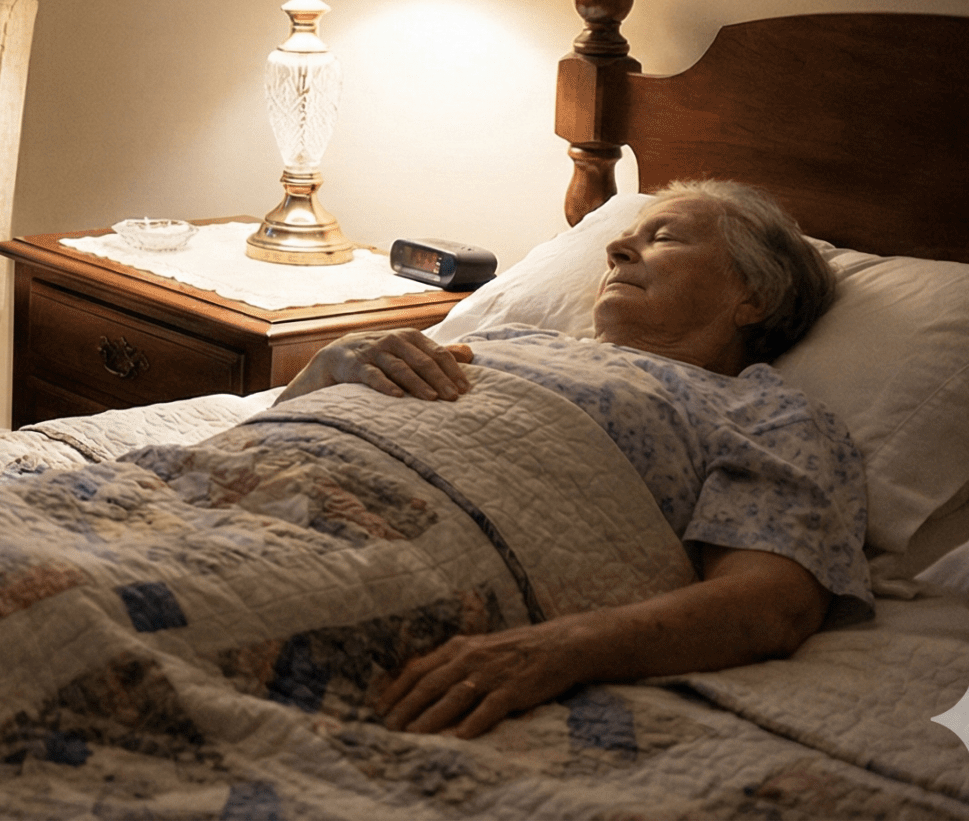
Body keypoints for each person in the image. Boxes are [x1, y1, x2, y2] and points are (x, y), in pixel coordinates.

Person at [276, 179, 863, 740]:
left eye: (665, 238)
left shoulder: (767, 414)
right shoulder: (513, 339)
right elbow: (279, 425)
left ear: (753, 297)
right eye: (627, 238)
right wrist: (334, 363)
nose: (615, 250)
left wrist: (559, 648)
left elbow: (771, 606)